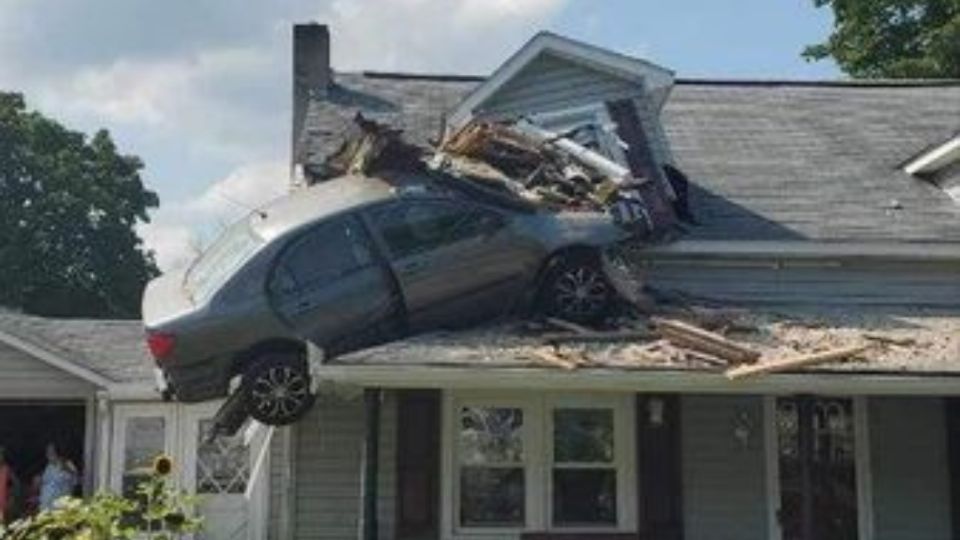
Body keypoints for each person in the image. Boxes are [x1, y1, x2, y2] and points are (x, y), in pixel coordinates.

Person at [38, 443, 78, 512]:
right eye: (47, 452)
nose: (48, 454)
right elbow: (45, 483)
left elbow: (75, 481)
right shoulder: (49, 466)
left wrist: (67, 469)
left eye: (51, 451)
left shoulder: (67, 464)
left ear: (57, 452)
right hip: (47, 506)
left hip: (61, 507)